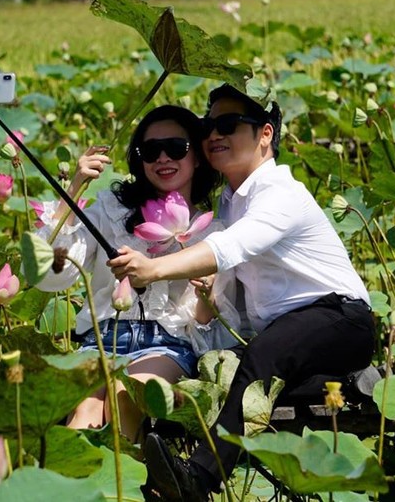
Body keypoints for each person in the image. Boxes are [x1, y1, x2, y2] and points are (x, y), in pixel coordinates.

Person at [108, 85, 376, 501]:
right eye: (208, 126)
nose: (214, 134)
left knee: (261, 357)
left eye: (229, 125)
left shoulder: (280, 194)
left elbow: (231, 249)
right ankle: (342, 381)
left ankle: (199, 479)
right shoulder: (232, 202)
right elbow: (235, 303)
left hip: (339, 318)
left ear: (265, 134)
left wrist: (154, 269)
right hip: (291, 335)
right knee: (241, 373)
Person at [35, 105, 241, 443]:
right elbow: (50, 276)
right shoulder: (111, 212)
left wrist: (206, 296)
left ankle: (122, 489)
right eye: (150, 150)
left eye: (176, 148)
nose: (163, 157)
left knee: (125, 397)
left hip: (166, 346)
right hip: (99, 341)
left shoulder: (212, 235)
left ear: (198, 157)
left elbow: (206, 330)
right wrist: (74, 189)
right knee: (85, 411)